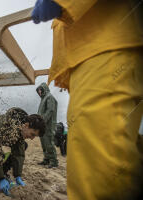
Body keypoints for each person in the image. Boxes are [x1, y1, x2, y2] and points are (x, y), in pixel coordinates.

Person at [32, 0, 143, 199]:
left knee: (98, 166)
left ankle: (52, 161)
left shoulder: (49, 99)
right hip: (90, 50)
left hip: (105, 42)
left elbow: (49, 111)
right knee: (119, 151)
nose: (40, 94)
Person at [0, 107, 45, 196]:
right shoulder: (5, 125)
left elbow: (19, 154)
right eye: (32, 134)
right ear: (26, 125)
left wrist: (18, 176)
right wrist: (1, 178)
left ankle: (3, 172)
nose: (32, 138)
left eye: (35, 136)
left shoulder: (21, 128)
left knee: (23, 145)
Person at [36, 83, 58, 168]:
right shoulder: (43, 99)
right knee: (44, 143)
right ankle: (46, 159)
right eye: (38, 91)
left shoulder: (49, 97)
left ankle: (54, 161)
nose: (39, 92)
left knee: (49, 142)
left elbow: (50, 110)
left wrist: (42, 121)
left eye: (40, 90)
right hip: (43, 125)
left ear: (43, 89)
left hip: (49, 125)